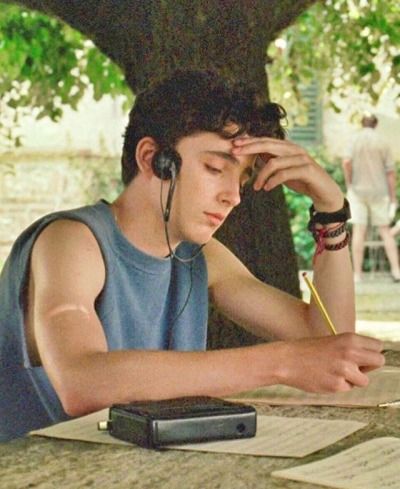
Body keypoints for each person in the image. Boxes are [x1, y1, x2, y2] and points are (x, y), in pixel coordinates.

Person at [0, 70, 384, 442]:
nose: (233, 196)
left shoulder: (202, 258)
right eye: (216, 168)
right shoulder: (70, 241)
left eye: (242, 179)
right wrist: (281, 362)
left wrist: (331, 212)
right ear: (153, 159)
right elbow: (82, 381)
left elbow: (326, 338)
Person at [342, 114, 400, 282]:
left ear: (362, 123)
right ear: (376, 124)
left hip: (358, 192)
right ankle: (396, 271)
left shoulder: (354, 140)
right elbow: (390, 172)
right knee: (385, 231)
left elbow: (346, 162)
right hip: (379, 192)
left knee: (359, 231)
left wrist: (349, 183)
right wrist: (393, 197)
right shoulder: (383, 142)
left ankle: (357, 274)